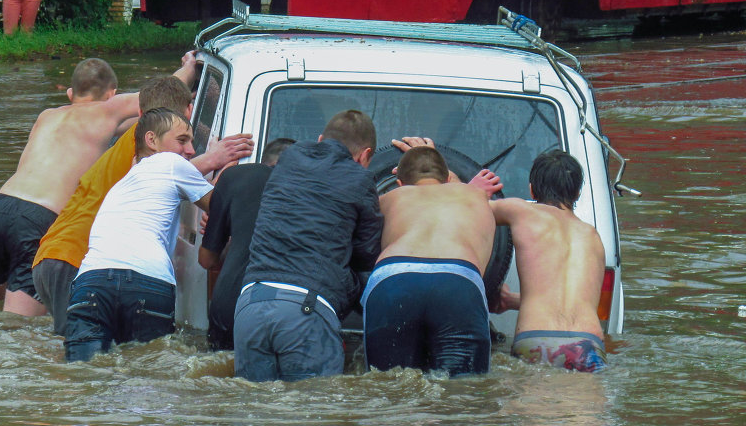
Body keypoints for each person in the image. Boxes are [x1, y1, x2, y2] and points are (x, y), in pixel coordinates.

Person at [0, 55, 199, 317]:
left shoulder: (46, 116)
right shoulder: (107, 111)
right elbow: (159, 96)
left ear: (70, 93)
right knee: (21, 328)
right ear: (112, 93)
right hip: (38, 219)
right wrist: (189, 68)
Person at [32, 76, 254, 336]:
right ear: (188, 112)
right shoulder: (148, 149)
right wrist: (218, 163)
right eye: (183, 141)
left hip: (55, 255)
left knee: (81, 356)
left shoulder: (137, 147)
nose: (190, 150)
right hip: (76, 259)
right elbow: (168, 174)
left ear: (140, 112)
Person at [233, 110, 383, 382]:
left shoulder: (288, 159)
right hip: (305, 308)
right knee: (312, 417)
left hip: (250, 302)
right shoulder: (360, 180)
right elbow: (366, 255)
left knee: (251, 414)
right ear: (365, 155)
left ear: (321, 139)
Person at [64, 108, 214, 362]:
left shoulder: (122, 184)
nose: (191, 150)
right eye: (182, 140)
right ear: (151, 140)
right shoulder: (171, 163)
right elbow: (225, 206)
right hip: (147, 281)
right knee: (148, 381)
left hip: (91, 283)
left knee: (83, 376)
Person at [362, 146, 497, 377]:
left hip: (394, 279)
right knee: (464, 395)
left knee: (388, 391)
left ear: (399, 183)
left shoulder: (388, 199)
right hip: (458, 280)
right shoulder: (476, 197)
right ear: (447, 179)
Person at [491, 150, 608, 372]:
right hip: (587, 343)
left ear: (532, 189)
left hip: (535, 338)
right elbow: (574, 300)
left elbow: (468, 207)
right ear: (577, 193)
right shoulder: (593, 236)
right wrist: (511, 301)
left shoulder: (521, 211)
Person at [198, 137, 295, 351]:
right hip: (294, 307)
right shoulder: (314, 189)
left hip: (234, 301)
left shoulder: (236, 177)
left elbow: (206, 260)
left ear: (262, 161)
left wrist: (229, 232)